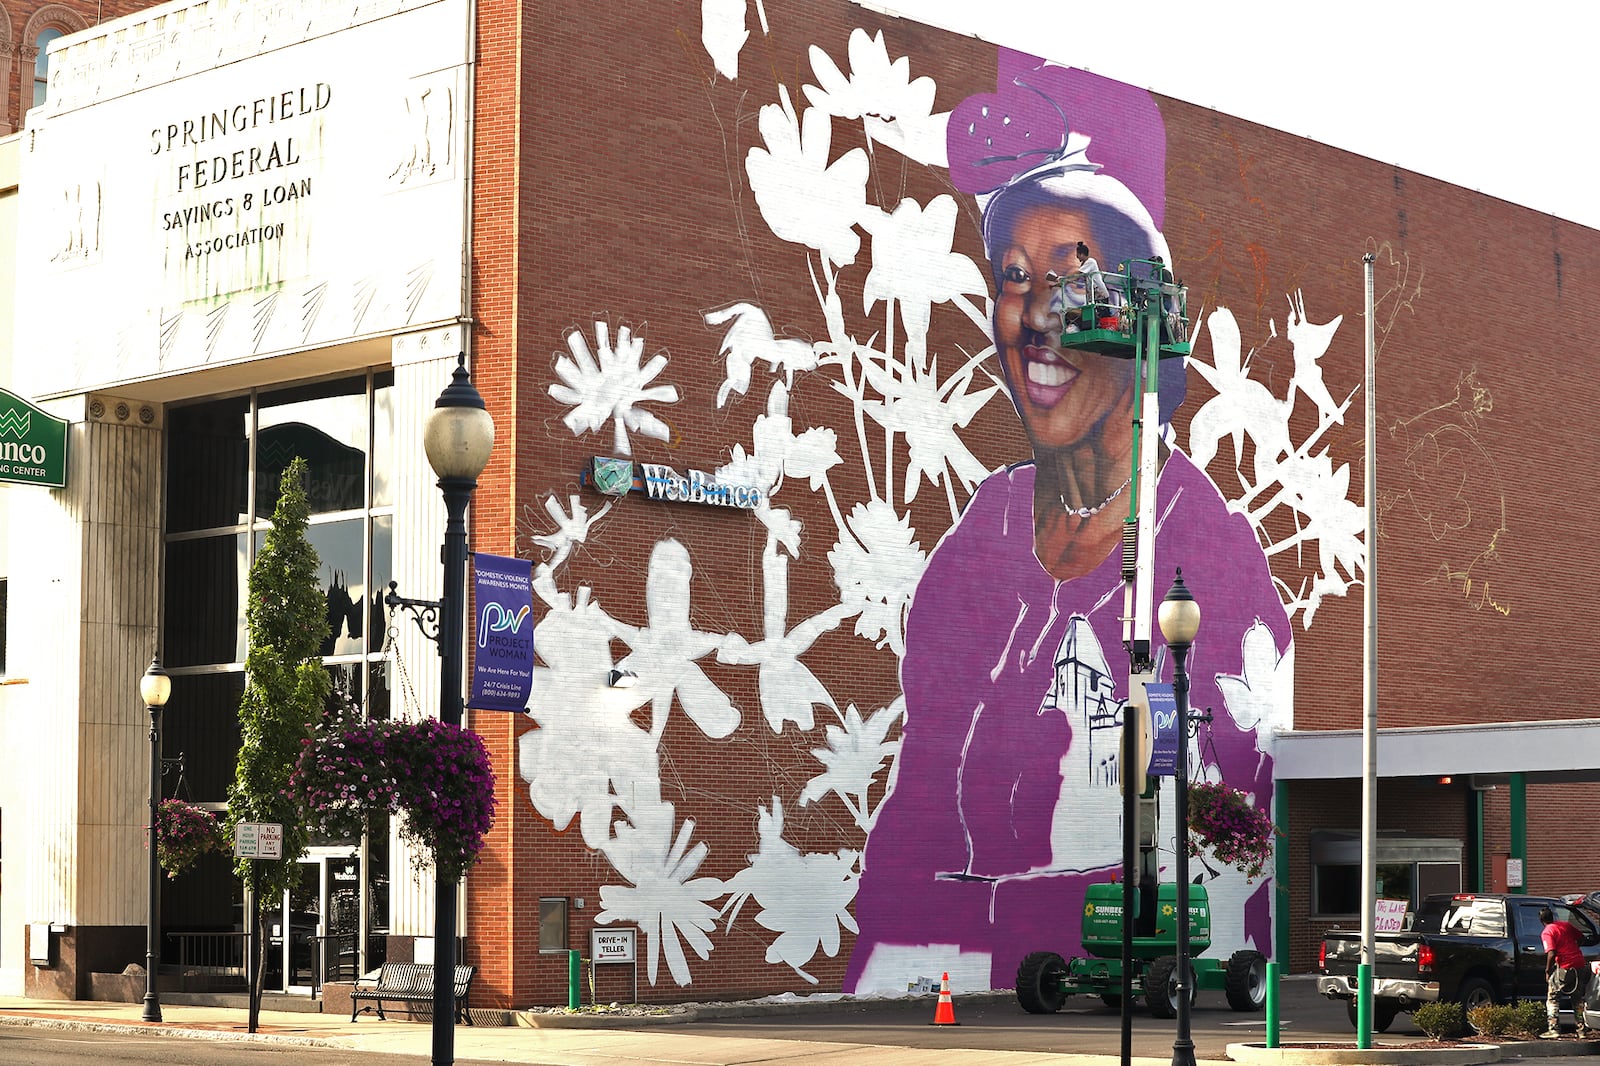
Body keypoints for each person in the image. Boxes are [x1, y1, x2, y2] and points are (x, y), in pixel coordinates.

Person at [843, 145, 1291, 994]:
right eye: (1015, 277)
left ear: (1135, 326)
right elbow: (905, 842)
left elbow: (1223, 851)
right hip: (952, 977)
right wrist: (925, 921)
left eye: (1073, 280)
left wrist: (970, 916)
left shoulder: (1207, 555)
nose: (1040, 314)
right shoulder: (984, 533)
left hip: (1070, 954)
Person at [1540, 907, 1593, 1038]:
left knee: (1553, 996)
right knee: (1577, 998)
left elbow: (1551, 953)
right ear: (1552, 917)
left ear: (1541, 920)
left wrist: (1548, 970)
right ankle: (1581, 1030)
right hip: (1580, 964)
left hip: (1565, 966)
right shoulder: (1566, 925)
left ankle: (1553, 1029)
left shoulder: (1547, 932)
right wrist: (1575, 948)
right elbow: (1581, 937)